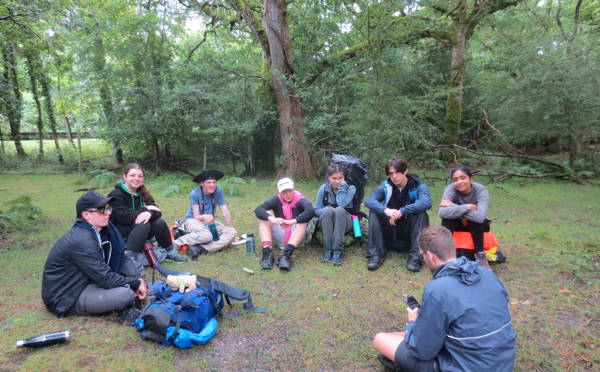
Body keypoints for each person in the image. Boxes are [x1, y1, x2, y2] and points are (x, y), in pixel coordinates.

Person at [372, 225, 516, 372]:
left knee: (380, 339)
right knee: (407, 335)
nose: (423, 261)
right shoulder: (486, 274)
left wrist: (412, 322)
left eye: (421, 257)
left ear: (430, 256)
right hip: (502, 363)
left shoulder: (437, 289)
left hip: (464, 366)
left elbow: (423, 351)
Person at [42, 191, 147, 318]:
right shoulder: (81, 240)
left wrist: (135, 279)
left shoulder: (101, 230)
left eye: (108, 208)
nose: (108, 213)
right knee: (125, 294)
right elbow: (105, 278)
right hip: (67, 296)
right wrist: (134, 283)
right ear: (86, 215)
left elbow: (121, 256)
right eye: (102, 210)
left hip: (88, 281)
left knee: (135, 268)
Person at [107, 163, 187, 263]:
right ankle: (130, 259)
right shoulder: (116, 194)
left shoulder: (143, 193)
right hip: (120, 232)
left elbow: (157, 211)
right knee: (144, 223)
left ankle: (169, 252)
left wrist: (149, 213)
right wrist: (145, 209)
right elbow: (124, 217)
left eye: (140, 176)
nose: (136, 178)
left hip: (141, 231)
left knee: (159, 223)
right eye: (132, 175)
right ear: (125, 176)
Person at [365, 157, 431, 272]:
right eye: (391, 173)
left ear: (405, 171)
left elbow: (426, 203)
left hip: (408, 235)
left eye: (397, 172)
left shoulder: (418, 186)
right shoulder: (386, 186)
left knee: (421, 214)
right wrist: (387, 212)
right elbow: (370, 201)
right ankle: (376, 255)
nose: (394, 177)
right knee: (374, 212)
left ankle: (416, 258)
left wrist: (402, 211)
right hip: (389, 234)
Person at [255, 178, 315, 271]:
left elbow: (311, 211)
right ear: (279, 192)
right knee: (265, 217)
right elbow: (258, 209)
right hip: (281, 232)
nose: (287, 194)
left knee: (304, 220)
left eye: (290, 191)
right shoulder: (276, 199)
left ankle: (286, 254)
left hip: (297, 237)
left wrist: (292, 221)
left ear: (294, 189)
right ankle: (267, 253)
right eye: (284, 192)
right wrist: (271, 218)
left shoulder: (301, 199)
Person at [171, 169, 237, 254]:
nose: (212, 185)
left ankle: (201, 248)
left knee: (232, 232)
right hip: (193, 220)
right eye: (208, 182)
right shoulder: (195, 193)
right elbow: (196, 215)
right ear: (201, 183)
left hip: (209, 222)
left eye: (214, 182)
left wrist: (230, 228)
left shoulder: (218, 191)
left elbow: (225, 212)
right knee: (207, 235)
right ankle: (175, 244)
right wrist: (204, 217)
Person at [438, 165, 492, 269]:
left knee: (475, 220)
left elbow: (480, 217)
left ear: (471, 179)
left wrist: (453, 206)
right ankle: (447, 256)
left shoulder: (481, 190)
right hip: (458, 223)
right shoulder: (450, 189)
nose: (459, 182)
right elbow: (442, 213)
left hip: (479, 226)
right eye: (455, 179)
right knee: (447, 219)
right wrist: (466, 207)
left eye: (463, 178)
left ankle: (481, 258)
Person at [314, 163, 357, 266]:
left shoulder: (351, 189)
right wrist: (327, 209)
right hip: (327, 222)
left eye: (340, 178)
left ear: (344, 177)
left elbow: (342, 204)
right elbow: (315, 211)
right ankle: (327, 249)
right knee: (328, 211)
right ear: (329, 177)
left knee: (339, 210)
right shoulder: (323, 189)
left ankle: (337, 250)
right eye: (334, 178)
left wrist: (342, 188)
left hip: (345, 223)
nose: (337, 181)